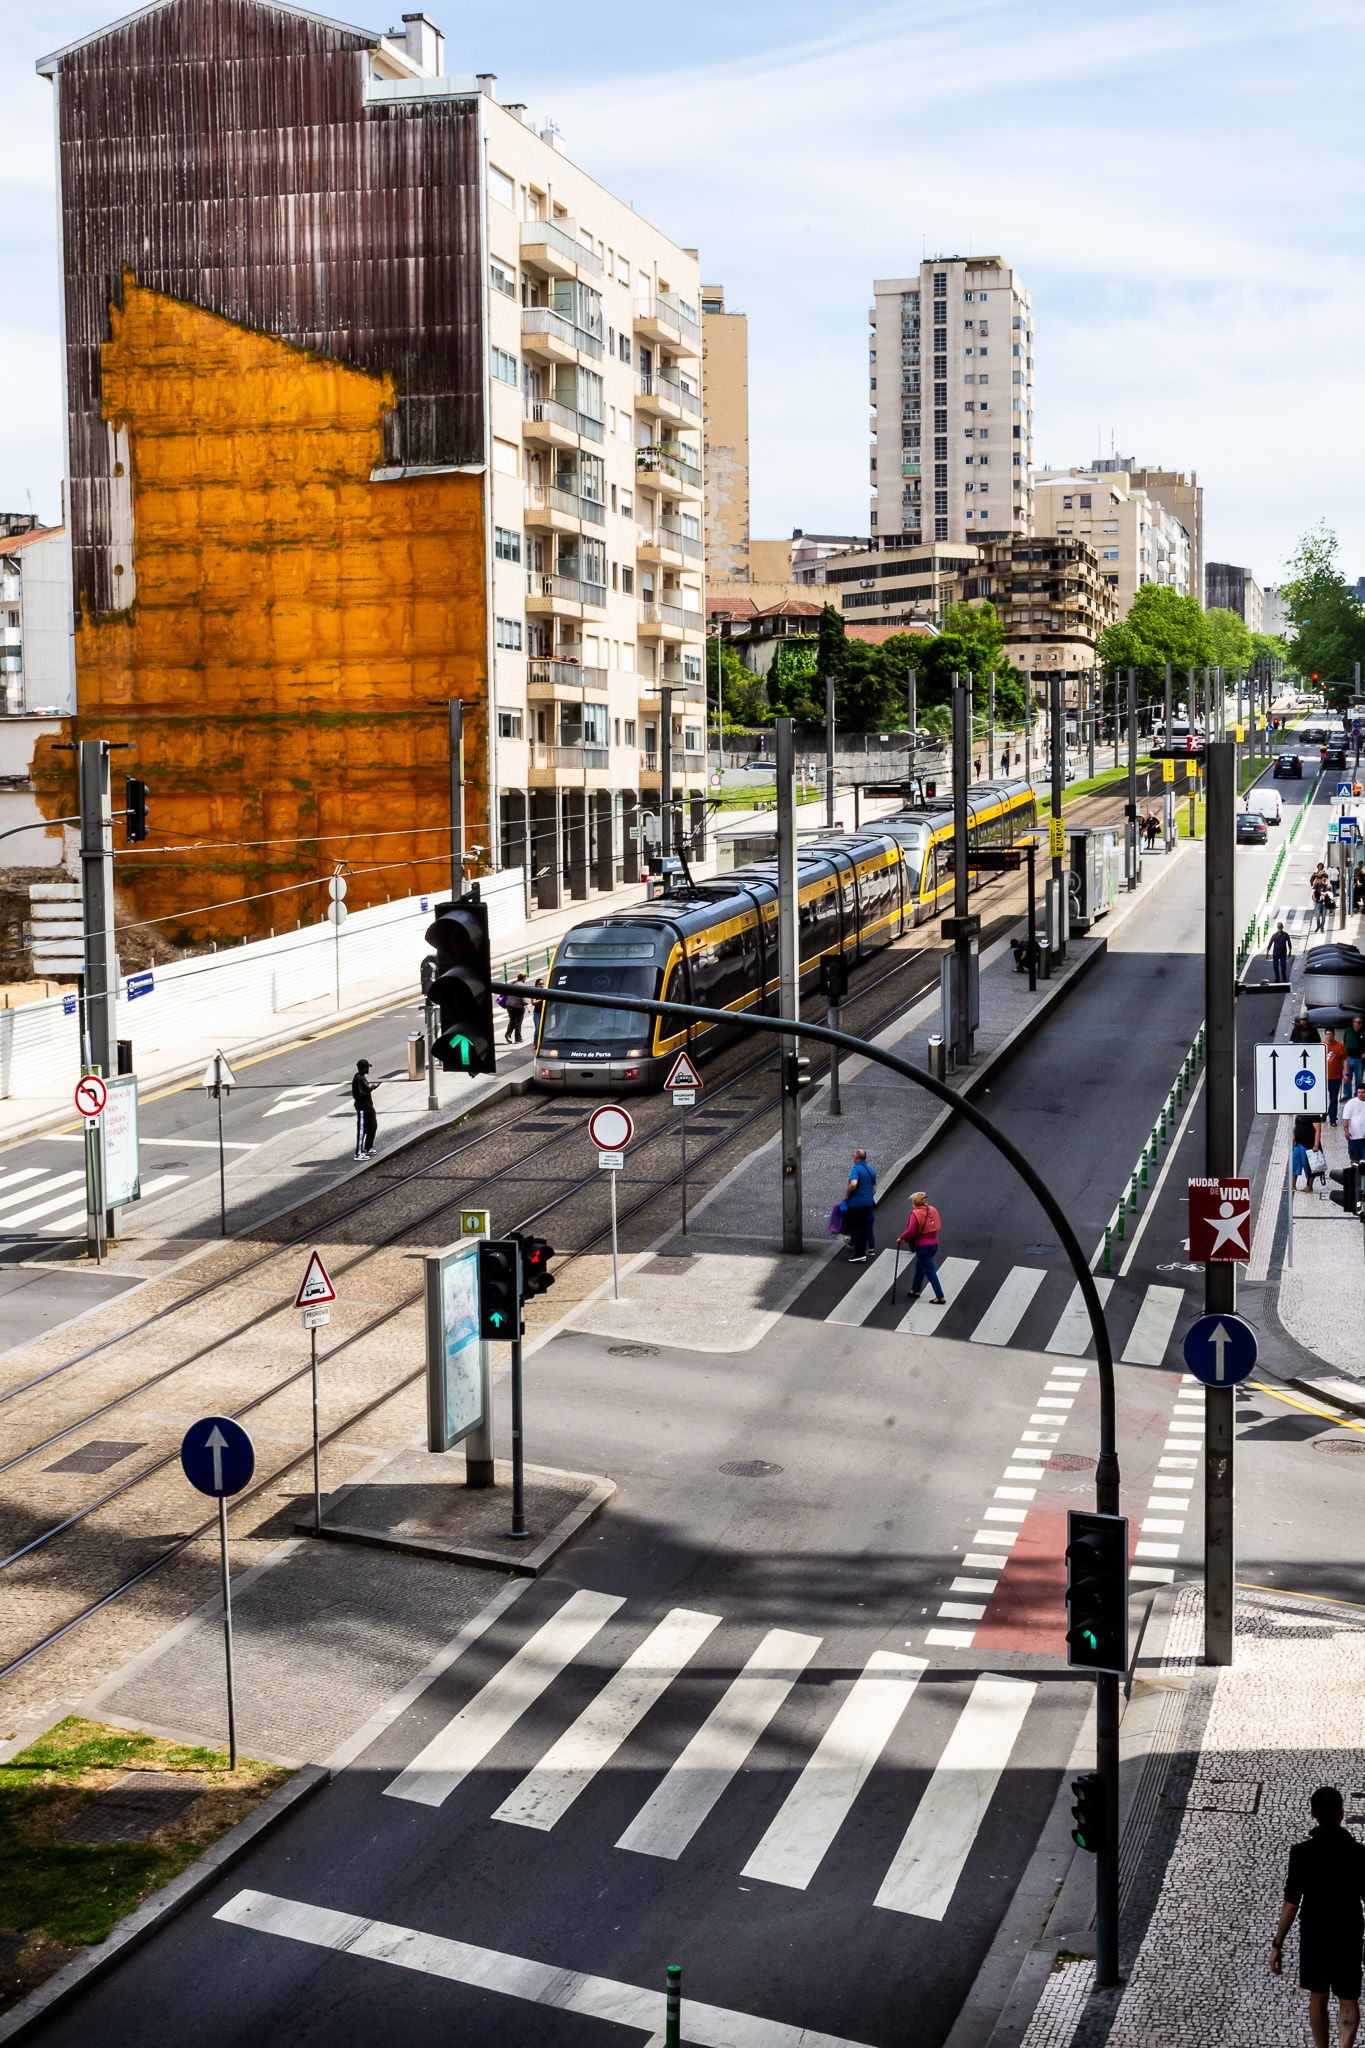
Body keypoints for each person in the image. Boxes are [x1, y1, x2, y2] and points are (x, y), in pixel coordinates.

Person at [1270, 1785, 1365, 2048]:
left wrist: (1277, 1943)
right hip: (1349, 1933)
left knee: (1318, 1995)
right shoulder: (1360, 1854)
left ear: (1312, 1813)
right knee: (1348, 1998)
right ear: (1342, 1814)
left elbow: (1291, 1902)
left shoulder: (1301, 1853)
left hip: (1315, 1934)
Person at [897, 1191, 946, 1304]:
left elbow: (911, 1230)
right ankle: (916, 1290)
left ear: (914, 1202)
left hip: (923, 1246)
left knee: (930, 1271)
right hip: (934, 1245)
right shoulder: (932, 1209)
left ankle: (940, 1296)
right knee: (920, 1266)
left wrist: (900, 1238)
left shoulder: (915, 1213)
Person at [843, 1148, 877, 1262]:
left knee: (854, 1227)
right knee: (863, 1227)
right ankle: (862, 1253)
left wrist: (847, 1194)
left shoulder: (856, 1169)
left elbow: (853, 1184)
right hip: (868, 1204)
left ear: (856, 1157)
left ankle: (859, 1253)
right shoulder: (870, 1170)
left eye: (853, 1156)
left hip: (856, 1203)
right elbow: (874, 1189)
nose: (853, 1157)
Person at [351, 1059, 379, 1159]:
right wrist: (370, 1089)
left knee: (372, 1126)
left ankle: (368, 1147)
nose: (368, 1069)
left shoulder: (362, 1077)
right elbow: (359, 1095)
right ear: (364, 1068)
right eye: (367, 1067)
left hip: (368, 1107)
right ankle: (358, 1152)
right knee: (362, 1130)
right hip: (362, 1107)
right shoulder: (358, 1079)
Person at [1293, 1107, 1324, 1194]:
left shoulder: (1314, 1114)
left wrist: (1316, 1145)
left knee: (1308, 1166)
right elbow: (1297, 1127)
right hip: (1298, 1143)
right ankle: (1293, 1185)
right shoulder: (1300, 1111)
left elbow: (1318, 1130)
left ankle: (1309, 1186)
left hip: (1308, 1144)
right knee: (1294, 1163)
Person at [1325, 1031, 1349, 1128]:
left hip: (1335, 1077)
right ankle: (1323, 1114)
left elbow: (1344, 1060)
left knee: (1333, 1098)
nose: (1329, 1036)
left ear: (1334, 1035)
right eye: (1328, 1034)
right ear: (1325, 1035)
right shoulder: (1321, 1045)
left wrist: (1346, 1074)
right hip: (1323, 1077)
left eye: (1331, 1034)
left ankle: (1332, 1118)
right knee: (1322, 1098)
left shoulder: (1340, 1046)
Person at [1344, 1084, 1365, 1169]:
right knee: (1354, 1160)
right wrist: (1347, 1132)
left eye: (1362, 1092)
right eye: (1359, 1092)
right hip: (1354, 1137)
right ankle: (1355, 1179)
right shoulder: (1351, 1103)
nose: (1360, 1094)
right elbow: (1346, 1120)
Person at [1346, 1016, 1365, 1097]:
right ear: (1353, 1022)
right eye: (1357, 1022)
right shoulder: (1348, 1030)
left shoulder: (1364, 1032)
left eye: (1361, 1022)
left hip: (1359, 1059)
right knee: (1347, 1078)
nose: (1359, 1024)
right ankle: (1347, 1095)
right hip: (1348, 1058)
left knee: (1359, 1079)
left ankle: (1357, 1095)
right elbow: (1344, 1042)